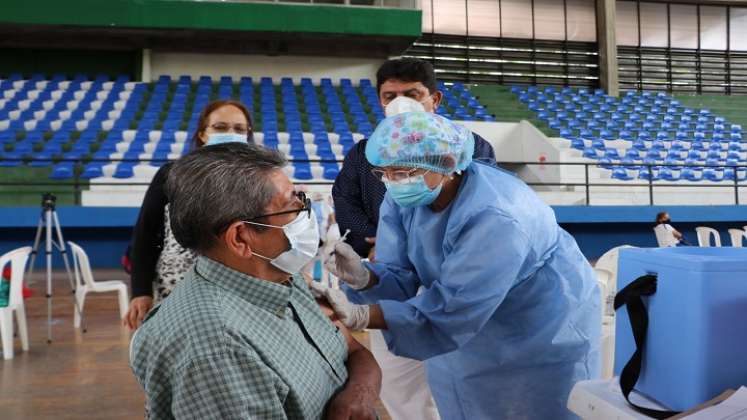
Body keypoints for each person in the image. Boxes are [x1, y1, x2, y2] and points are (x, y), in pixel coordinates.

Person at [316, 112, 600, 419]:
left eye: (403, 171)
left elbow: (456, 308)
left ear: (448, 164)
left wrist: (362, 315)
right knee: (465, 399)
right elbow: (402, 274)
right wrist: (364, 277)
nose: (393, 181)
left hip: (538, 326)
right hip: (467, 327)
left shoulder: (498, 214)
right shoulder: (405, 197)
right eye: (384, 173)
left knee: (533, 407)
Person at [130, 143, 381, 419]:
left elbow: (357, 353)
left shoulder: (282, 276)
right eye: (292, 204)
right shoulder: (218, 350)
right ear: (240, 238)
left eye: (301, 197)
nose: (305, 210)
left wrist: (357, 397)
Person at [331, 57, 495, 420]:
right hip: (388, 272)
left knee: (460, 371)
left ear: (434, 100)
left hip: (457, 273)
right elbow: (345, 200)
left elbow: (474, 210)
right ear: (379, 101)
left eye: (412, 94)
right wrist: (371, 247)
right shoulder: (365, 153)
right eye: (390, 96)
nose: (399, 103)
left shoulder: (470, 146)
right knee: (400, 377)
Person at [123, 99, 254, 330]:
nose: (231, 133)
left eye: (239, 129)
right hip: (176, 287)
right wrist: (140, 291)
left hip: (241, 288)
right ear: (203, 134)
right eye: (220, 127)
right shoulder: (172, 174)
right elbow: (146, 233)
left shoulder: (259, 179)